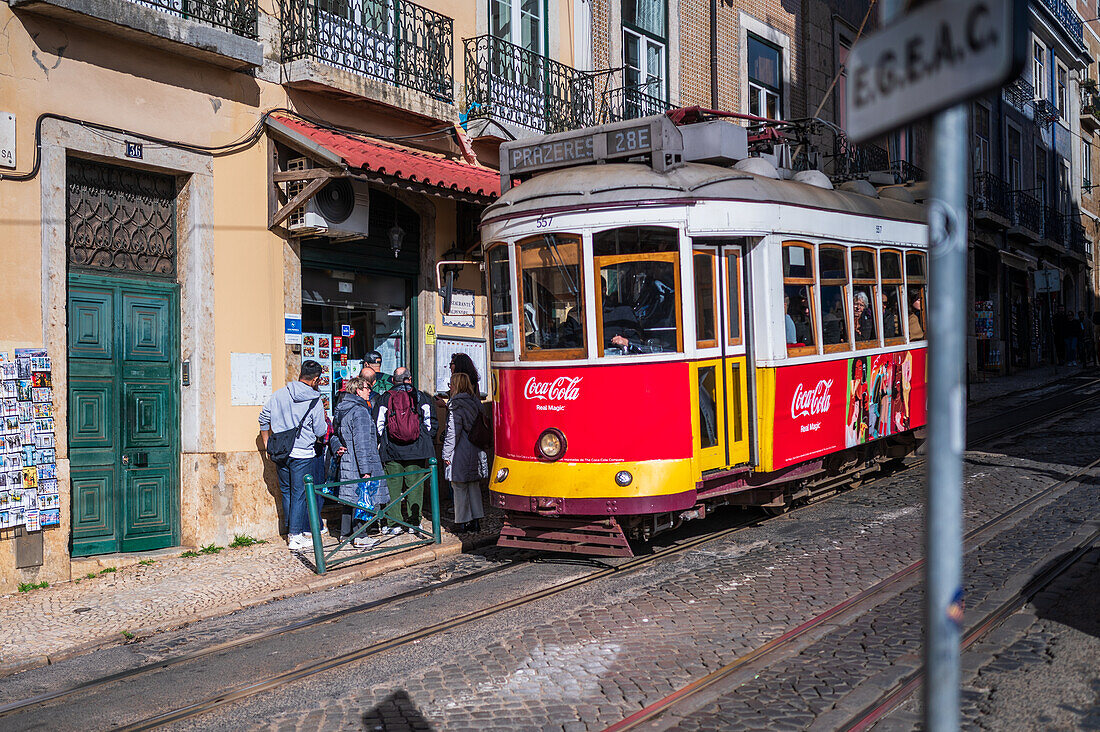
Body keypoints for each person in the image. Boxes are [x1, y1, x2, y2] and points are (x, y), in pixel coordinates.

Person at [259, 360, 329, 551]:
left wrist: (267, 443)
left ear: (300, 374)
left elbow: (263, 418)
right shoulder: (315, 400)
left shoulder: (279, 394)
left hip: (281, 452)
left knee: (288, 492)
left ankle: (292, 531)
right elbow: (320, 430)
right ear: (316, 379)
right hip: (302, 453)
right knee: (299, 494)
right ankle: (295, 536)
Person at [376, 367, 438, 533]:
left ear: (393, 381)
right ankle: (414, 522)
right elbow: (431, 422)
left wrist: (385, 441)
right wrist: (424, 438)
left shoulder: (386, 397)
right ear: (409, 379)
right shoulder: (420, 396)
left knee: (392, 486)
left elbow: (378, 425)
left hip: (392, 450)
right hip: (417, 449)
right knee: (415, 486)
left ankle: (393, 524)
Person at [332, 376, 387, 548]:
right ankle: (360, 536)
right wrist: (366, 470)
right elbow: (362, 443)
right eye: (367, 388)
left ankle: (345, 534)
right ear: (358, 390)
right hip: (359, 461)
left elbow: (334, 434)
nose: (370, 391)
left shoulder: (342, 408)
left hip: (347, 460)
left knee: (350, 497)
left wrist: (338, 446)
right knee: (362, 497)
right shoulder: (360, 411)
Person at [442, 372, 488, 533]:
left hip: (461, 450)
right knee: (474, 486)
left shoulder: (456, 405)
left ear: (455, 385)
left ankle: (462, 522)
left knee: (459, 487)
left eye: (451, 384)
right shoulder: (476, 402)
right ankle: (476, 522)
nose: (450, 387)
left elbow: (452, 432)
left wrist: (446, 454)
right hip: (476, 448)